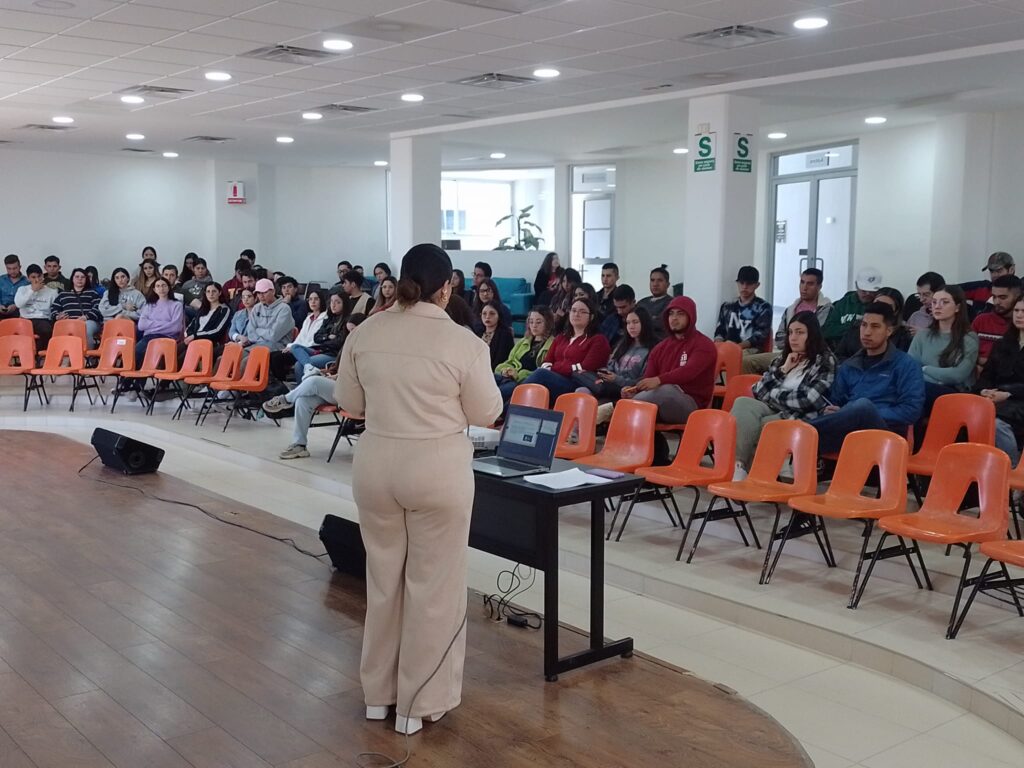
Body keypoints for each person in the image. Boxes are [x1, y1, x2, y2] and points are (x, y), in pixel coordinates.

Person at [335, 243, 502, 736]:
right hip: (436, 470)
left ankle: (378, 696)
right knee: (434, 588)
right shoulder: (464, 343)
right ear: (446, 287)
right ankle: (419, 703)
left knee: (384, 582)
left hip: (376, 466)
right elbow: (485, 412)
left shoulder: (366, 331)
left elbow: (349, 401)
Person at [809, 302, 925, 455]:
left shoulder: (906, 364)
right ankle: (799, 438)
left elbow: (911, 410)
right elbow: (836, 402)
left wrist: (869, 412)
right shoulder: (849, 366)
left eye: (875, 327)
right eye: (864, 325)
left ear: (889, 331)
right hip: (850, 431)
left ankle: (800, 434)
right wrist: (830, 410)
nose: (867, 332)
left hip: (888, 435)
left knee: (863, 407)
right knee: (855, 410)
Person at [731, 312, 836, 480]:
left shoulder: (824, 360)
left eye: (800, 332)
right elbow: (757, 390)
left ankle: (749, 482)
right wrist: (784, 369)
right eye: (791, 332)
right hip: (778, 408)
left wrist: (773, 394)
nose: (793, 338)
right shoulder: (783, 359)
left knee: (762, 426)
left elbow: (807, 399)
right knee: (742, 402)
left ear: (812, 334)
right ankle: (739, 467)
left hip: (799, 416)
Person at [622, 296, 717, 462]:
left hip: (692, 406)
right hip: (660, 403)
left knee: (664, 390)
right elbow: (648, 379)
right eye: (671, 314)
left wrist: (658, 380)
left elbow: (689, 372)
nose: (674, 318)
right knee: (642, 402)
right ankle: (655, 459)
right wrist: (635, 390)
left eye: (680, 314)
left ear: (691, 317)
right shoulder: (660, 348)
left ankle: (625, 410)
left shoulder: (704, 345)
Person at [908, 286, 979, 420]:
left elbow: (958, 375)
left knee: (917, 391)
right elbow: (910, 369)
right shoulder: (923, 335)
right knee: (914, 399)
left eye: (944, 302)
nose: (937, 306)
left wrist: (925, 369)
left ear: (957, 307)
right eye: (934, 302)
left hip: (954, 393)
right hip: (922, 391)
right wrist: (938, 378)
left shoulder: (968, 338)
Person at [742, 267, 831, 374]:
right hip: (784, 352)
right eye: (802, 282)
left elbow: (817, 338)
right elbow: (779, 338)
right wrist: (794, 342)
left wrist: (793, 340)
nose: (804, 287)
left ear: (819, 286)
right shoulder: (790, 309)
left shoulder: (826, 309)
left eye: (810, 284)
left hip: (811, 355)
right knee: (746, 362)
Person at [577, 307, 656, 423]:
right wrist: (604, 372)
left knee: (595, 409)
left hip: (630, 391)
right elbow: (611, 366)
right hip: (610, 388)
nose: (631, 326)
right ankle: (578, 435)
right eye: (628, 323)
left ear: (644, 323)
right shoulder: (622, 345)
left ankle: (583, 432)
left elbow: (644, 380)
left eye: (635, 322)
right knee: (582, 390)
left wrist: (617, 379)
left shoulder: (653, 349)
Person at [522, 297, 610, 400]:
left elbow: (584, 367)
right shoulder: (561, 337)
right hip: (554, 378)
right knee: (503, 381)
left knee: (540, 375)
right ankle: (505, 409)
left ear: (591, 317)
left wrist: (554, 367)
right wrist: (555, 368)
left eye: (582, 312)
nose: (576, 314)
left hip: (576, 383)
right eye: (573, 310)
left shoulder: (598, 340)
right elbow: (547, 361)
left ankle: (505, 410)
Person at [262, 355, 344, 460]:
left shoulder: (365, 349)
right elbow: (338, 367)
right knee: (303, 400)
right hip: (336, 387)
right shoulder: (348, 345)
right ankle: (300, 445)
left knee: (314, 381)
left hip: (351, 392)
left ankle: (285, 399)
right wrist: (327, 374)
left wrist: (337, 377)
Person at [976, 297, 1024, 466]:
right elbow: (987, 375)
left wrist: (1008, 393)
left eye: (1023, 312)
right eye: (1017, 311)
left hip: (1018, 399)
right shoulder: (1003, 343)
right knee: (971, 415)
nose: (1019, 315)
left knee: (996, 423)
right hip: (996, 396)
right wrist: (983, 391)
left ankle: (1012, 469)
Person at [494, 307, 554, 403]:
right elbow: (510, 361)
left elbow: (542, 372)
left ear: (548, 323)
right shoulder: (523, 341)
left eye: (538, 322)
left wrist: (517, 375)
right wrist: (505, 370)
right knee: (487, 381)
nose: (534, 325)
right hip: (508, 377)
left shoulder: (552, 344)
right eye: (531, 322)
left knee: (499, 392)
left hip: (523, 381)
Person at [835, 287, 911, 361]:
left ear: (896, 311)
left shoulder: (903, 336)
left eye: (887, 307)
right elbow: (839, 356)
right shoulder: (855, 328)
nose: (880, 308)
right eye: (877, 303)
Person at [714, 266, 772, 356]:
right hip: (726, 348)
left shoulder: (763, 307)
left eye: (749, 283)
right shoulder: (727, 307)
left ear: (757, 285)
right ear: (737, 283)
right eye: (741, 283)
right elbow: (720, 331)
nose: (744, 287)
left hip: (751, 351)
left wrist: (735, 348)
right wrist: (719, 346)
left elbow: (759, 336)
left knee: (734, 358)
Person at [270, 289, 326, 382]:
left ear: (321, 301)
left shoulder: (325, 317)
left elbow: (314, 340)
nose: (313, 302)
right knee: (272, 355)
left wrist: (295, 348)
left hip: (311, 349)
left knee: (277, 358)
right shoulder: (309, 317)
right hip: (299, 348)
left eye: (316, 299)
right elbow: (301, 337)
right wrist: (291, 346)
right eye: (310, 299)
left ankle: (283, 384)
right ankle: (280, 384)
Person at [293, 290, 347, 379]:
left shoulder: (346, 320)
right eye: (332, 302)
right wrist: (328, 337)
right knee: (295, 347)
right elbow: (316, 337)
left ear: (344, 304)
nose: (333, 305)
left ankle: (305, 389)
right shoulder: (329, 319)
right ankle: (309, 368)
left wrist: (324, 340)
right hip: (321, 350)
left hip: (333, 354)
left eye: (337, 302)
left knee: (299, 365)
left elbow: (338, 343)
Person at [822, 267, 882, 346]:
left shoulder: (880, 303)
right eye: (864, 290)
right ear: (856, 285)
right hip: (841, 351)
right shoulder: (843, 303)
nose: (868, 294)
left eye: (872, 291)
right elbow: (827, 331)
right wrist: (852, 327)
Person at [972, 274, 1021, 368]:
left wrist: (985, 361)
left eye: (1003, 297)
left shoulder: (1020, 323)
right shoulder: (981, 320)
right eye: (994, 297)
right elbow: (966, 352)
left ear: (1018, 297)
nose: (997, 302)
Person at [239, 278, 295, 357]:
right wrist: (264, 336)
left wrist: (258, 330)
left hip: (277, 347)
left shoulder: (284, 309)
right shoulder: (256, 308)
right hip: (257, 345)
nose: (261, 296)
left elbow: (274, 336)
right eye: (258, 293)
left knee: (247, 362)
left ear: (273, 291)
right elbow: (251, 334)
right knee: (234, 357)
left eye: (264, 292)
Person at [51, 267, 103, 348]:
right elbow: (54, 309)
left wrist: (86, 317)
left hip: (88, 322)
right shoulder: (63, 294)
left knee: (86, 328)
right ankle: (64, 355)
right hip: (68, 322)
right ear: (72, 279)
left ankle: (87, 356)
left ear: (86, 279)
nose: (80, 279)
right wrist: (58, 316)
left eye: (83, 277)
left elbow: (98, 308)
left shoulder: (92, 293)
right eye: (77, 277)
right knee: (58, 328)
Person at [135, 277, 184, 360]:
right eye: (158, 286)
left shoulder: (176, 305)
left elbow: (176, 328)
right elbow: (141, 325)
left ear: (169, 287)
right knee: (137, 351)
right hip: (149, 337)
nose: (161, 288)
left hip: (167, 337)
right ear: (154, 290)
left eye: (164, 285)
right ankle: (140, 372)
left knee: (153, 354)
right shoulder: (149, 305)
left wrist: (151, 325)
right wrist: (166, 323)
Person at [13, 264, 56, 346]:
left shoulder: (52, 292)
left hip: (43, 319)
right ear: (28, 278)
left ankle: (39, 354)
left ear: (43, 276)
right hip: (25, 319)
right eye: (33, 277)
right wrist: (32, 290)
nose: (37, 279)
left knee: (46, 329)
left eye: (39, 276)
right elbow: (18, 304)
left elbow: (53, 309)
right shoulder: (22, 289)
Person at [962, 251, 1015, 318]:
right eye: (992, 271)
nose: (995, 275)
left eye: (999, 271)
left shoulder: (1019, 291)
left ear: (1011, 270)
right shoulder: (981, 287)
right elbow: (949, 291)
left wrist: (975, 305)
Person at [183, 281, 230, 353]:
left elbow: (217, 330)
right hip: (193, 341)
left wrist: (195, 336)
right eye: (208, 291)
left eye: (214, 291)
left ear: (220, 293)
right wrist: (189, 335)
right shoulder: (203, 308)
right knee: (173, 352)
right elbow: (191, 325)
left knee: (182, 358)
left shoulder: (224, 309)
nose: (211, 294)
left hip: (209, 344)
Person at [636, 265, 672, 339]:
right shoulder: (641, 303)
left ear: (668, 284)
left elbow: (661, 324)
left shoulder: (671, 303)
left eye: (660, 280)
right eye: (652, 280)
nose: (655, 284)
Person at [477, 301, 514, 370]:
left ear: (499, 316)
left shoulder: (505, 335)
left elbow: (500, 360)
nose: (487, 317)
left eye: (492, 314)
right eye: (484, 314)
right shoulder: (478, 332)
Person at [0, 254, 28, 318]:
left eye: (14, 268)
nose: (12, 271)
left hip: (18, 311)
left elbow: (29, 301)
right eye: (9, 268)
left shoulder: (27, 282)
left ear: (20, 267)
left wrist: (16, 306)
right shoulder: (1, 279)